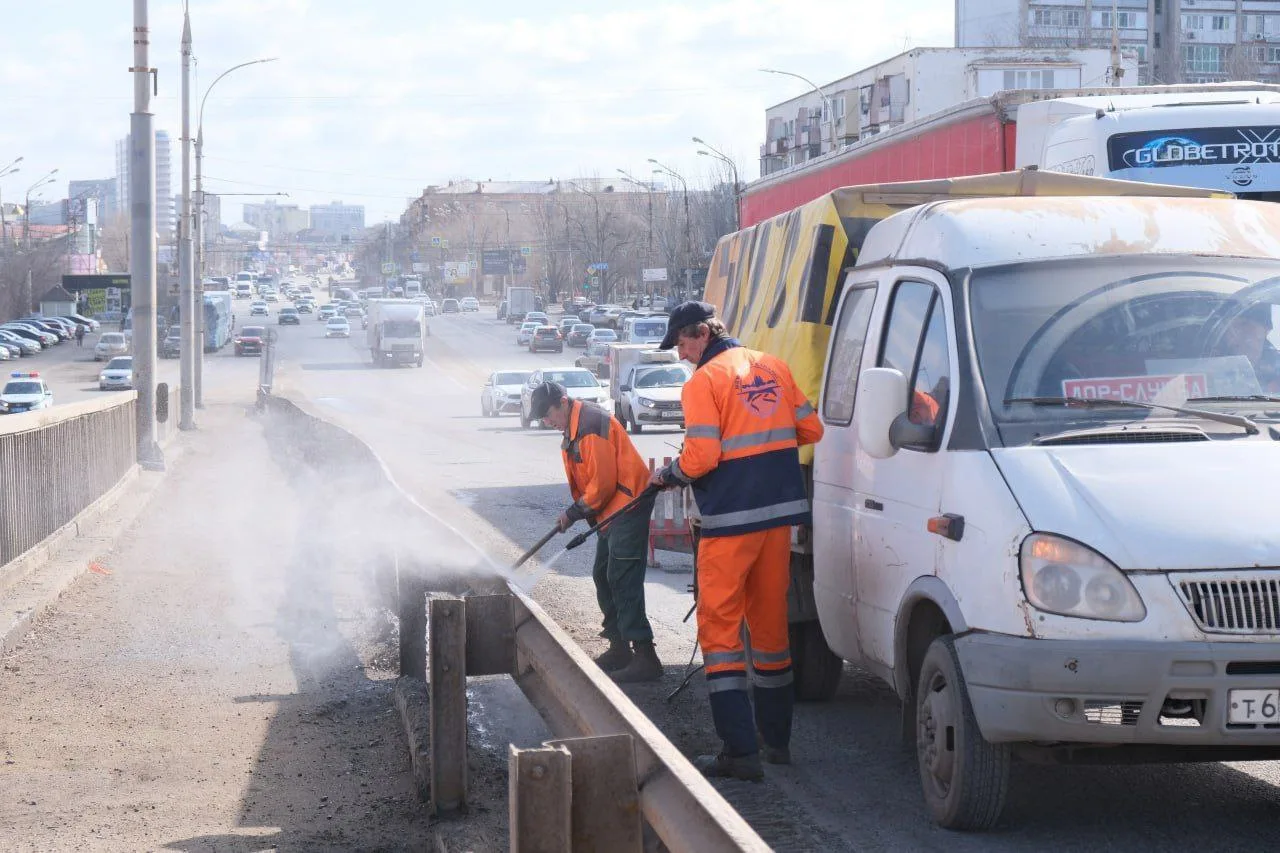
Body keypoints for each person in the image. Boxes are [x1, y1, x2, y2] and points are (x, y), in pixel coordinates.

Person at [650, 301, 824, 782]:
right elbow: (812, 428)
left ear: (703, 333)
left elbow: (702, 456)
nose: (682, 355)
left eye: (683, 344)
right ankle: (776, 743)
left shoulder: (704, 383)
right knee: (769, 628)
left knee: (720, 632)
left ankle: (739, 752)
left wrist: (672, 473)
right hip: (776, 521)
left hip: (730, 522)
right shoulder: (774, 365)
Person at [528, 380, 663, 683]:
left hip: (628, 504)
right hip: (611, 510)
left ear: (563, 401)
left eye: (549, 415)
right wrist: (576, 512)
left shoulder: (589, 425)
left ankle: (645, 655)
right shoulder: (573, 427)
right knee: (603, 574)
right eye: (544, 419)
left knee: (622, 576)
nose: (549, 423)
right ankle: (619, 647)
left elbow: (601, 485)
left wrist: (573, 513)